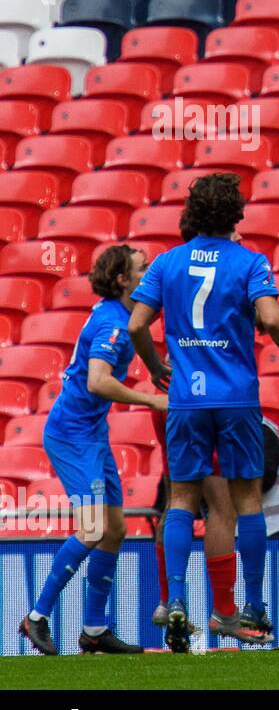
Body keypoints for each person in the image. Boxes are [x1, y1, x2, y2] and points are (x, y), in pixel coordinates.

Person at [128, 172, 279, 652]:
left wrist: (156, 367)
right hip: (236, 398)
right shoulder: (250, 261)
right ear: (234, 214)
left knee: (182, 500)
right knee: (247, 500)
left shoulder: (166, 263)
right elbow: (270, 318)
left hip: (186, 398)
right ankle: (251, 605)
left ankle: (179, 603)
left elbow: (136, 324)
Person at [18, 246, 165, 655]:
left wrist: (158, 370)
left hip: (92, 434)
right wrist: (151, 399)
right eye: (142, 268)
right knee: (93, 529)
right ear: (122, 279)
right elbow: (98, 381)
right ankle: (36, 617)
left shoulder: (123, 317)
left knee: (114, 529)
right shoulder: (112, 325)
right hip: (71, 436)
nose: (148, 271)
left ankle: (95, 630)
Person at [148, 415, 279, 644]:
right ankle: (232, 610)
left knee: (177, 501)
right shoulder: (256, 421)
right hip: (220, 407)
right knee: (225, 509)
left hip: (175, 406)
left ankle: (169, 600)